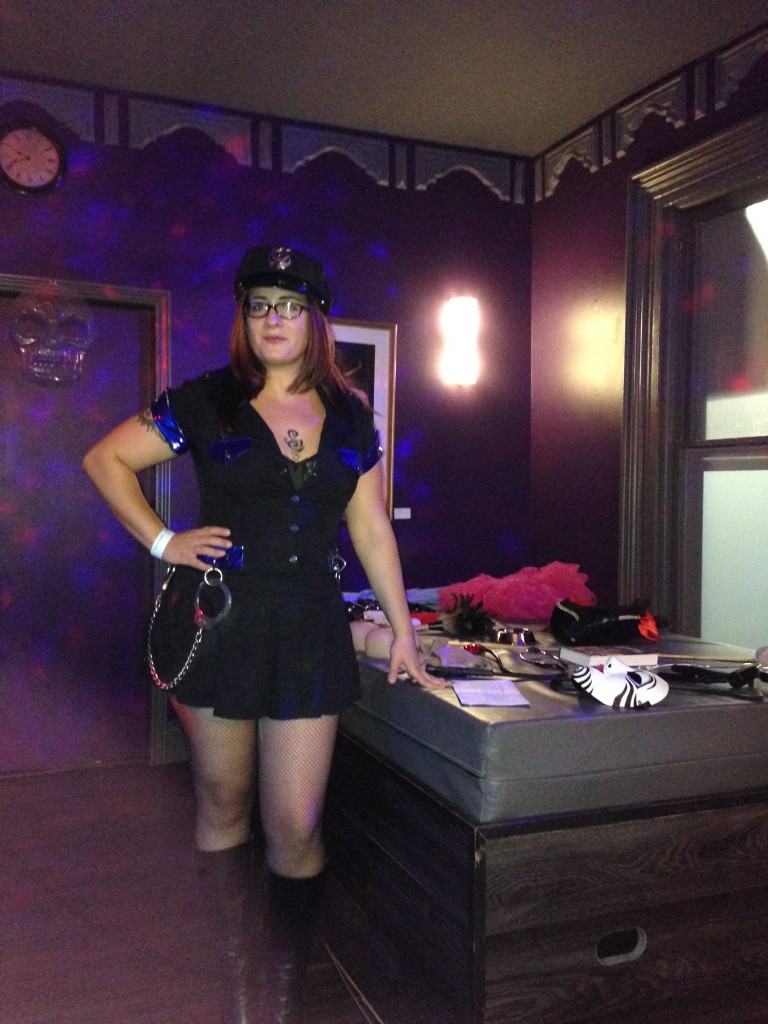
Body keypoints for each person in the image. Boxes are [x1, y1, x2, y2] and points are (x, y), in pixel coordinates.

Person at [82, 244, 441, 1024]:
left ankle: (281, 982)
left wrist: (404, 632)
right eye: (259, 306)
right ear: (245, 318)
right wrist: (163, 541)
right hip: (221, 623)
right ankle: (237, 970)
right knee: (222, 799)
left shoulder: (352, 417)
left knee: (296, 823)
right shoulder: (205, 400)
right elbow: (105, 459)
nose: (274, 318)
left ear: (315, 320)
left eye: (290, 305)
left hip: (310, 627)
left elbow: (371, 528)